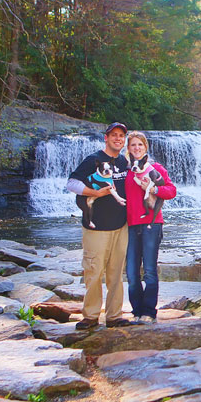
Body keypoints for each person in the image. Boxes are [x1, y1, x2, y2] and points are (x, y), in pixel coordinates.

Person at [67, 122, 132, 330]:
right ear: (106, 138)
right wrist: (94, 193)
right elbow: (72, 184)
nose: (118, 139)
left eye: (121, 136)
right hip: (96, 227)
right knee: (93, 272)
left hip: (120, 227)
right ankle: (91, 316)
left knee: (116, 274)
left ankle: (114, 315)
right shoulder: (93, 160)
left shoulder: (124, 162)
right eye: (114, 135)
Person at [125, 131, 176, 324]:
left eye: (140, 145)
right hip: (129, 225)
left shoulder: (155, 169)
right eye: (133, 145)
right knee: (131, 273)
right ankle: (136, 310)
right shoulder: (126, 171)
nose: (136, 148)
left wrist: (154, 188)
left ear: (145, 148)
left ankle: (148, 311)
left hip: (151, 223)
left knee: (149, 271)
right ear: (128, 149)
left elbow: (171, 190)